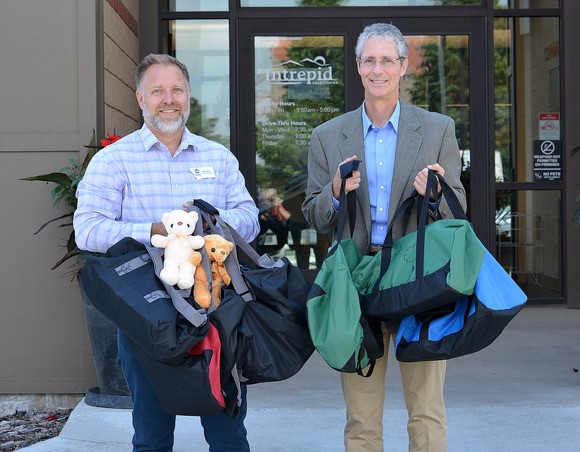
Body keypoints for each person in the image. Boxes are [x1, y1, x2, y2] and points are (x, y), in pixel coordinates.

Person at [74, 53, 259, 452]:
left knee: (228, 433)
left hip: (216, 312)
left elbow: (250, 219)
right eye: (157, 91)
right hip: (146, 314)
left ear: (189, 96)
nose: (168, 99)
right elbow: (87, 230)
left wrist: (210, 223)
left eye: (176, 90)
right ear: (140, 99)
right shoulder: (113, 161)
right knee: (152, 435)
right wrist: (153, 230)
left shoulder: (218, 158)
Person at [302, 23, 467, 452]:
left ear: (402, 66)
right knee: (361, 419)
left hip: (419, 283)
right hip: (358, 288)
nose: (378, 69)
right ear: (358, 67)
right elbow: (314, 214)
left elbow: (456, 208)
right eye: (369, 60)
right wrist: (335, 196)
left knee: (428, 413)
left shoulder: (437, 130)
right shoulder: (326, 136)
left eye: (386, 60)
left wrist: (432, 196)